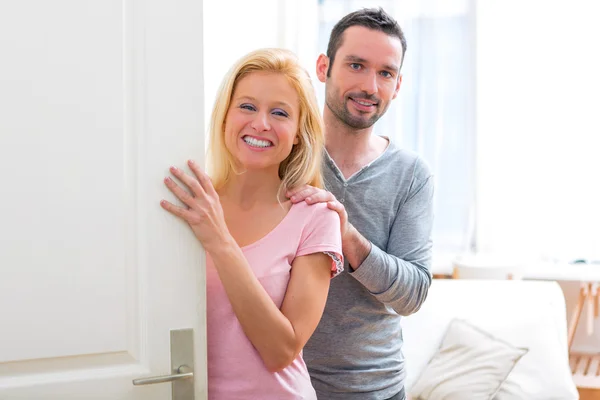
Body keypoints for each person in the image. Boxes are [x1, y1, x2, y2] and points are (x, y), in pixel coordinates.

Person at [160, 48, 343, 399]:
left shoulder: (317, 218)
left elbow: (281, 351)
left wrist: (220, 242)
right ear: (225, 117)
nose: (261, 123)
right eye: (247, 106)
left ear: (298, 135)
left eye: (279, 113)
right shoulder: (191, 203)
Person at [287, 8, 434, 400]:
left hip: (378, 391)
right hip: (286, 385)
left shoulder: (412, 175)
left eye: (385, 72)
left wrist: (346, 234)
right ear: (323, 67)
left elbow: (413, 294)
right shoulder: (285, 157)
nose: (370, 85)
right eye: (356, 65)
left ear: (398, 85)